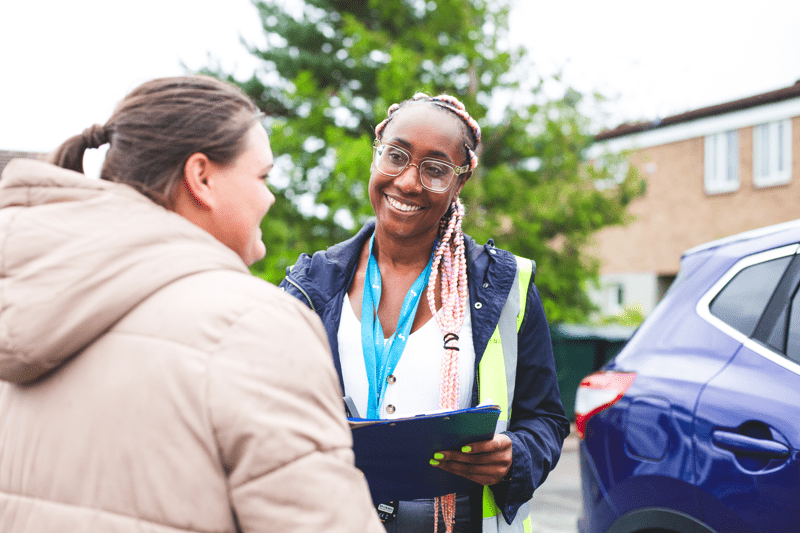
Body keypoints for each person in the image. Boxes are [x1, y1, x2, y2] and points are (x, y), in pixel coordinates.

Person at [0, 75, 383, 533]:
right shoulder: (254, 326)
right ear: (201, 177)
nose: (270, 196)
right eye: (262, 176)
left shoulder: (24, 302)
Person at [279, 93, 570, 533]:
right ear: (376, 156)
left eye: (435, 169)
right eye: (395, 156)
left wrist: (518, 453)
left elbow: (546, 418)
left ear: (459, 182)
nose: (408, 182)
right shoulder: (310, 284)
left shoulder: (507, 286)